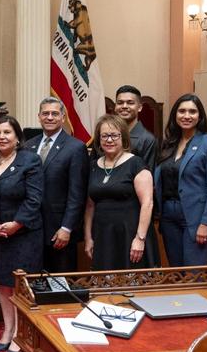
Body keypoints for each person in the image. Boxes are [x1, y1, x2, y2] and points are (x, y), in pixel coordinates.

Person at [0, 115, 43, 352]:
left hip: (24, 233)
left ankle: (21, 333)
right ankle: (7, 330)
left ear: (18, 137)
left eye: (7, 132)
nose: (2, 137)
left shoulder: (30, 161)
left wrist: (16, 224)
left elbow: (34, 199)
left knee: (20, 285)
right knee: (4, 283)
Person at [154, 94, 207, 267]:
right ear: (174, 115)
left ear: (200, 116)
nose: (187, 116)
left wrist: (206, 223)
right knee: (177, 273)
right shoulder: (168, 144)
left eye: (192, 112)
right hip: (169, 216)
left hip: (196, 217)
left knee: (194, 275)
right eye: (182, 111)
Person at [23, 97, 88, 274]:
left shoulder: (76, 148)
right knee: (35, 281)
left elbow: (77, 194)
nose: (49, 117)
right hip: (32, 229)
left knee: (60, 284)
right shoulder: (28, 146)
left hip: (59, 230)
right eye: (45, 113)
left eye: (54, 113)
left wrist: (67, 227)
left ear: (63, 117)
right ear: (39, 117)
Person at [83, 115, 154, 270]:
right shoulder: (93, 166)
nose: (109, 140)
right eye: (104, 136)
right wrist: (88, 238)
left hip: (130, 235)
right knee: (105, 289)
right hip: (103, 236)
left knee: (133, 289)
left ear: (124, 137)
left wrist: (140, 238)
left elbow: (147, 203)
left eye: (114, 135)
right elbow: (89, 206)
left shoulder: (136, 163)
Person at [113, 85, 157, 170]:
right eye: (120, 102)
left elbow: (148, 173)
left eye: (130, 103)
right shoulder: (105, 135)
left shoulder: (147, 139)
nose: (124, 106)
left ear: (140, 107)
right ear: (115, 107)